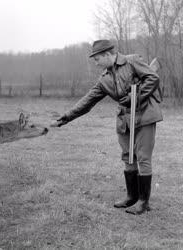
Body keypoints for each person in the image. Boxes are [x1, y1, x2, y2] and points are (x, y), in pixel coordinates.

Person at [52, 39, 163, 215]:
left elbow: (153, 77)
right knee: (128, 157)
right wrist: (66, 118)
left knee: (142, 157)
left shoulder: (132, 60)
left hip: (144, 115)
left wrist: (137, 96)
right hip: (124, 119)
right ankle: (131, 197)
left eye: (96, 59)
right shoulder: (104, 79)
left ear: (106, 55)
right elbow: (88, 100)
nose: (95, 63)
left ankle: (143, 202)